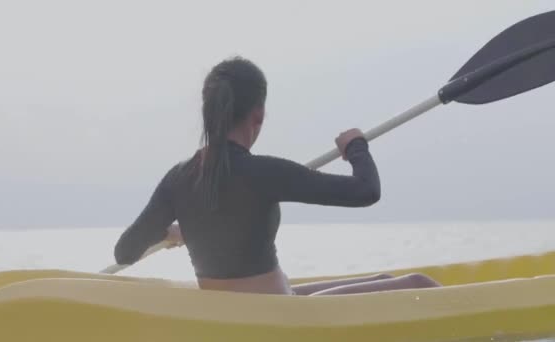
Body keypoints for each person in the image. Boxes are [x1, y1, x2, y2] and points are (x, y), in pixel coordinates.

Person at [113, 56, 440, 295]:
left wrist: (170, 233)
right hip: (282, 317)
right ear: (258, 115)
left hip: (240, 316)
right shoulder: (263, 172)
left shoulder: (178, 178)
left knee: (383, 278)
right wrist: (356, 147)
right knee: (419, 285)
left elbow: (125, 252)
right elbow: (365, 191)